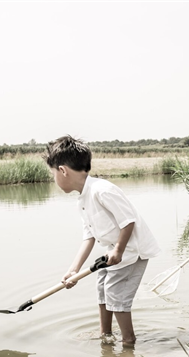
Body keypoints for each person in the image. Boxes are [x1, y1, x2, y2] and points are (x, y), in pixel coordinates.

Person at [43, 135, 160, 345]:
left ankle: (128, 341)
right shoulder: (83, 200)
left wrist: (118, 251)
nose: (54, 179)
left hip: (131, 252)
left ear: (63, 170)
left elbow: (128, 221)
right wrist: (73, 271)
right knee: (102, 288)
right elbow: (88, 237)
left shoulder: (102, 190)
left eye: (53, 174)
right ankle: (105, 336)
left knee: (115, 294)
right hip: (112, 253)